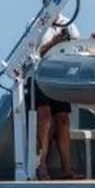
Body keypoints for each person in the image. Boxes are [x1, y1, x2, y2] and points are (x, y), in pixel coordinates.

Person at [30, 25, 79, 179]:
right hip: (39, 75)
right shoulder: (37, 24)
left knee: (63, 120)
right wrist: (54, 42)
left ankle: (67, 169)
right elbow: (35, 54)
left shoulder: (69, 24)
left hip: (60, 76)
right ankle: (41, 164)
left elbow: (76, 50)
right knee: (44, 118)